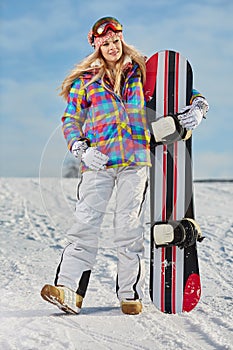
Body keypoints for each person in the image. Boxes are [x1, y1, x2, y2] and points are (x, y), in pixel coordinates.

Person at [41, 16, 209, 315]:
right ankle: (68, 291)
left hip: (135, 161)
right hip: (99, 163)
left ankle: (129, 292)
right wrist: (81, 148)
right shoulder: (86, 82)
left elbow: (180, 89)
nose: (112, 46)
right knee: (85, 225)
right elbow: (70, 120)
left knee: (127, 228)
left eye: (115, 41)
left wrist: (198, 106)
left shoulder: (142, 72)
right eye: (105, 43)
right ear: (97, 46)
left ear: (122, 40)